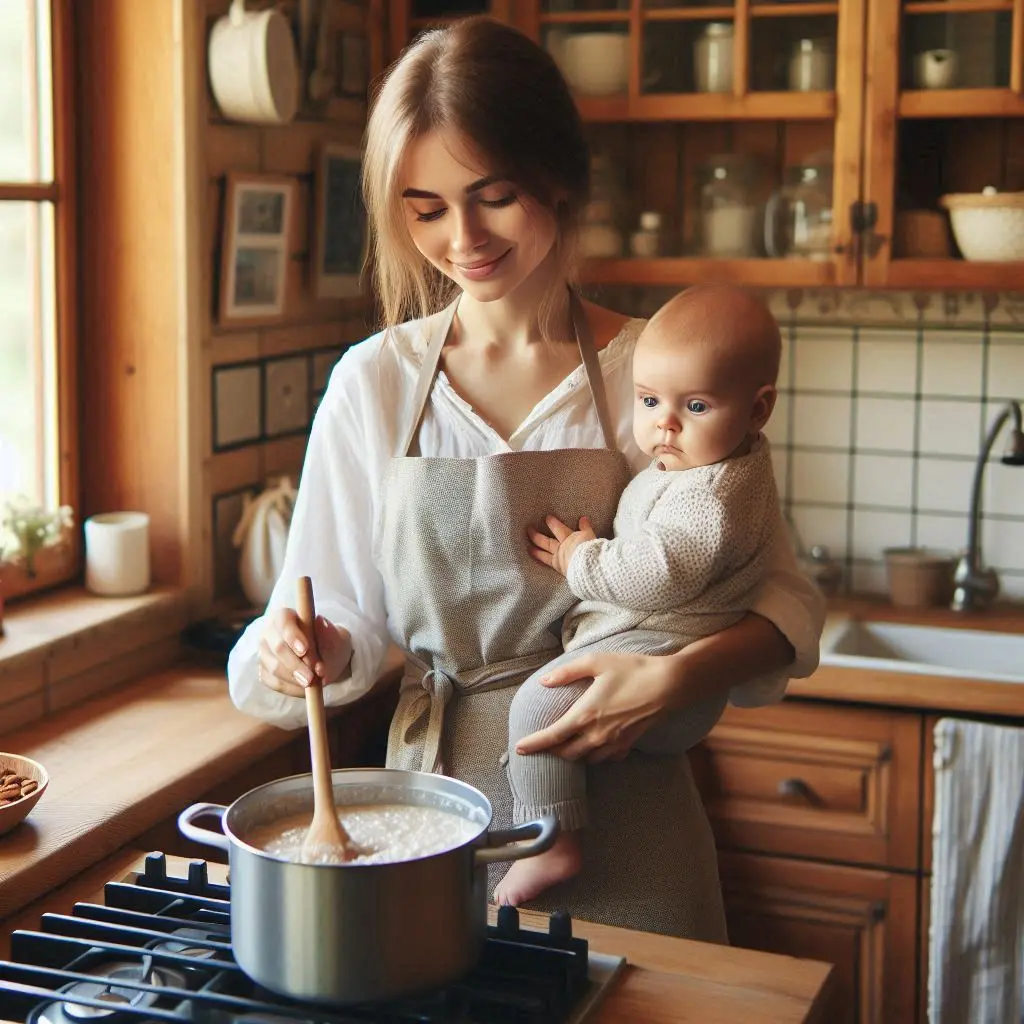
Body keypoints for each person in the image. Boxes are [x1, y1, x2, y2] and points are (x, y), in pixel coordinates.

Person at [226, 16, 824, 941]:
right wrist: (302, 648)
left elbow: (783, 603)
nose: (462, 237)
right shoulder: (375, 383)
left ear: (560, 177)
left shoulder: (653, 375)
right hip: (435, 822)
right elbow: (335, 624)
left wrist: (672, 682)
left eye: (493, 196)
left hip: (632, 809)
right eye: (425, 208)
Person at [495, 285, 785, 907]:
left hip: (668, 655)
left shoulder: (711, 498)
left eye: (697, 406)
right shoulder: (704, 464)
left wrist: (581, 558)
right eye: (650, 400)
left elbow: (652, 575)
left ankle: (552, 842)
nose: (665, 424)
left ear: (758, 410)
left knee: (536, 711)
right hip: (658, 647)